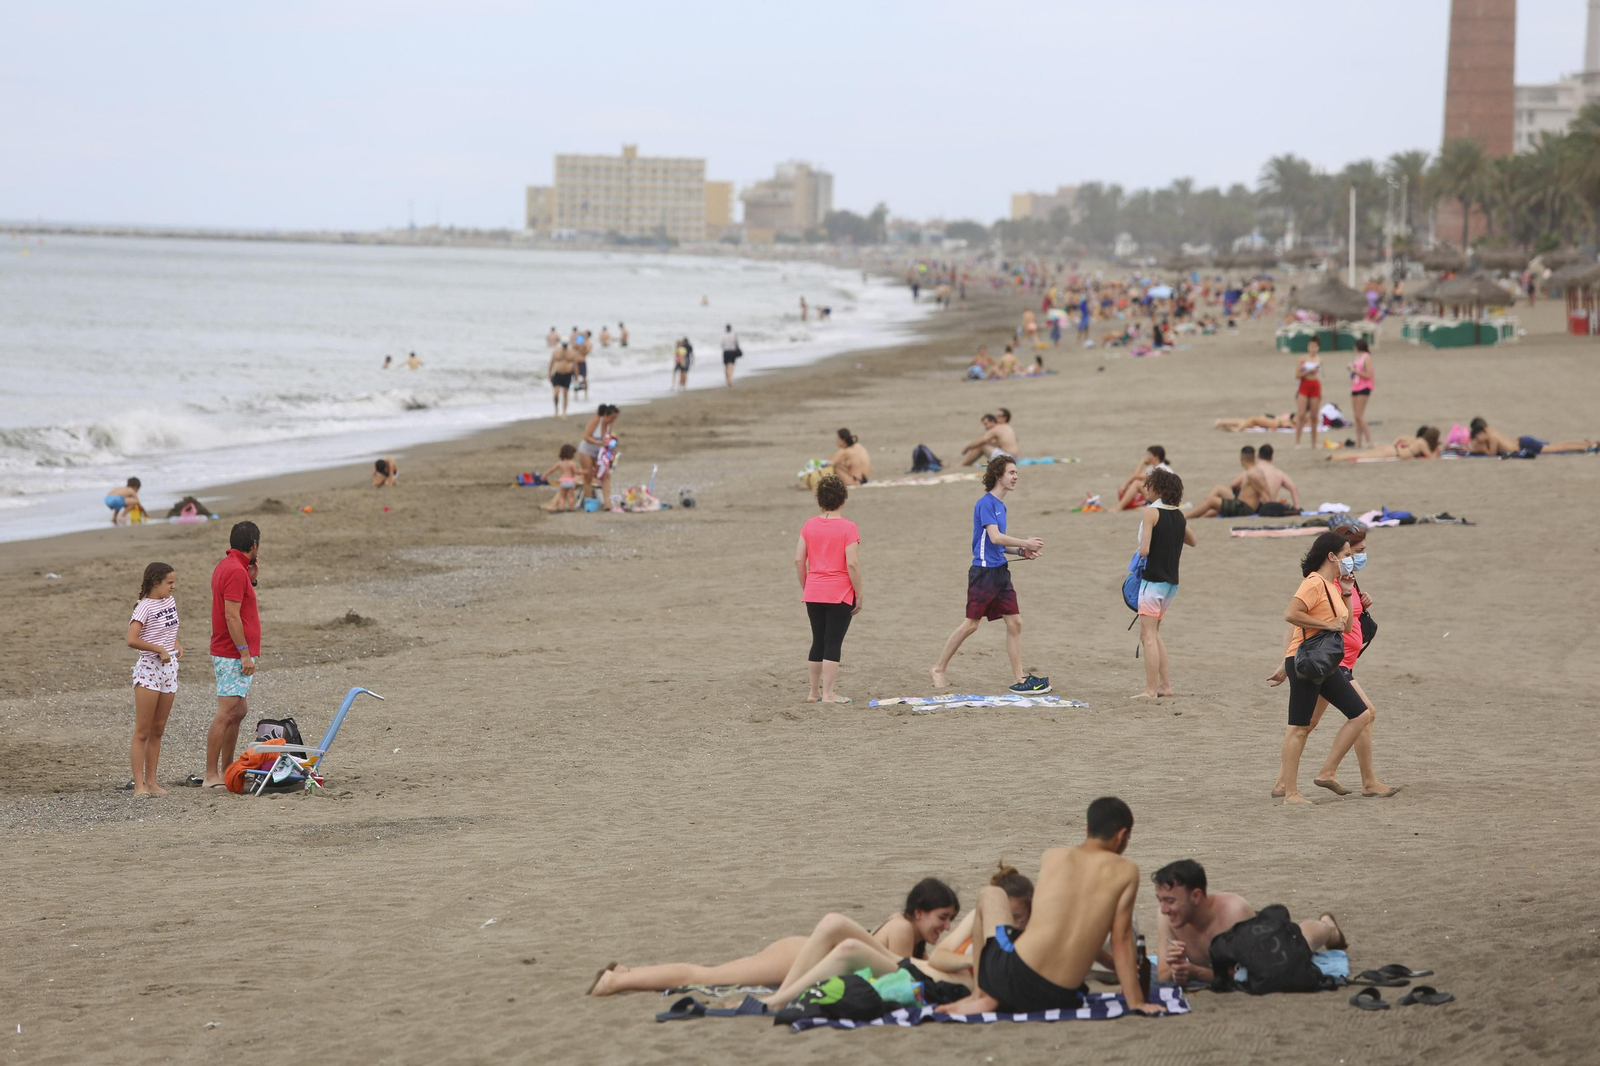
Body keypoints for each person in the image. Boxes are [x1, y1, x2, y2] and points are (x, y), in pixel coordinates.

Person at [942, 798, 1166, 1016]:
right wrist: (1136, 1001)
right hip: (1058, 995)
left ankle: (981, 994)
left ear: (1087, 829)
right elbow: (1121, 939)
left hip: (1010, 978)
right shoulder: (1126, 871)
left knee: (990, 893)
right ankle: (984, 995)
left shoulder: (1053, 856)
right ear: (1122, 835)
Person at [587, 878, 959, 996]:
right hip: (797, 957)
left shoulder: (905, 927)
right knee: (703, 976)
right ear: (919, 912)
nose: (944, 928)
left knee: (708, 973)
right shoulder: (900, 929)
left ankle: (628, 971)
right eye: (942, 918)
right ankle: (615, 981)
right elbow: (897, 976)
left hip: (804, 953)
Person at [1271, 523, 1399, 798]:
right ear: (1331, 556)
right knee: (1300, 726)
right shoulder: (1314, 582)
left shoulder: (1333, 585)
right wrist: (1323, 626)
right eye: (1346, 553)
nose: (1350, 559)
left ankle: (1320, 775)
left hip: (1328, 663)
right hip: (1308, 662)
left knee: (1361, 713)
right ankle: (1290, 792)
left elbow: (1346, 625)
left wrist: (1345, 592)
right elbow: (1290, 615)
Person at [929, 456, 1050, 694]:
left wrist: (1021, 551)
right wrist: (1024, 541)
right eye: (1011, 473)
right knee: (971, 625)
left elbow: (998, 544)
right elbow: (994, 537)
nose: (1015, 477)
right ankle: (938, 668)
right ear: (998, 475)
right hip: (983, 573)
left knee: (1015, 622)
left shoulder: (1000, 505)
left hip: (1000, 571)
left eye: (1016, 473)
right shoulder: (986, 503)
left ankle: (1019, 678)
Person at [1151, 860, 1346, 986]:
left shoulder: (1233, 912)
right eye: (1160, 900)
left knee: (1301, 940)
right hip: (1243, 941)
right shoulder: (1167, 917)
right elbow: (1163, 974)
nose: (1164, 909)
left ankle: (1328, 926)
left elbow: (1252, 973)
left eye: (1170, 901)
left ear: (1196, 896)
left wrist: (1197, 972)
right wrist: (1175, 968)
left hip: (1259, 936)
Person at [202, 522, 261, 790]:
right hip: (231, 651)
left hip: (230, 649)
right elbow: (231, 615)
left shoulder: (228, 566)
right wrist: (244, 654)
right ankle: (210, 774)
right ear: (254, 545)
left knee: (239, 711)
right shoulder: (235, 570)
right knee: (226, 712)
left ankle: (227, 769)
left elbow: (237, 603)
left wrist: (253, 579)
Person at [796, 475, 861, 705]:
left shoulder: (809, 525)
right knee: (833, 642)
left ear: (820, 500)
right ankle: (828, 694)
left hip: (814, 590)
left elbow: (798, 560)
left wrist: (807, 585)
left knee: (818, 640)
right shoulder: (848, 527)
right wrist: (859, 593)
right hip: (839, 592)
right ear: (842, 499)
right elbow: (851, 563)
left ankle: (813, 692)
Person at [1133, 470, 1196, 700]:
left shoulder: (1151, 512)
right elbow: (1192, 541)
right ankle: (1165, 686)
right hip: (1171, 583)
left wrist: (1137, 555)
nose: (1146, 489)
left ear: (1157, 488)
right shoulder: (1179, 515)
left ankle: (1150, 690)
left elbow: (1145, 549)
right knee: (1154, 633)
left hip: (1153, 581)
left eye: (1148, 486)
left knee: (1147, 635)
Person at [127, 562, 182, 796]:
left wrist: (176, 644)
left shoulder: (169, 601)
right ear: (155, 583)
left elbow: (171, 627)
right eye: (169, 582)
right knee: (143, 730)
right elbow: (131, 639)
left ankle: (152, 783)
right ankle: (139, 786)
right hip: (149, 669)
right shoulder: (144, 607)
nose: (173, 586)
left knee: (158, 729)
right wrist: (158, 648)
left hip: (169, 669)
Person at [1185, 447, 1262, 519]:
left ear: (1241, 458)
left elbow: (1234, 484)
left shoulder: (1252, 473)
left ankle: (1185, 516)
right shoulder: (1253, 470)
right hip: (1242, 504)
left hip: (1244, 508)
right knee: (1218, 493)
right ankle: (1200, 513)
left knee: (1212, 501)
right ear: (1254, 457)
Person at [1468, 417, 1594, 457]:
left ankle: (1588, 446)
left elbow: (1491, 454)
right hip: (1523, 441)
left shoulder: (1493, 437)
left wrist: (1482, 449)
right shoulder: (1491, 431)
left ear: (1481, 432)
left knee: (1559, 447)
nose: (1476, 440)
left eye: (1476, 437)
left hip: (1525, 444)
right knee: (1558, 445)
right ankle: (1588, 444)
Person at [1330, 426, 1441, 462]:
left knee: (1362, 454)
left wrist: (1393, 445)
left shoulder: (1416, 440)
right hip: (1395, 453)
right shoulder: (1422, 443)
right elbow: (1431, 457)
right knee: (1361, 456)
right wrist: (1436, 451)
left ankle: (1334, 456)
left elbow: (1401, 437)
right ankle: (1334, 458)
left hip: (1393, 449)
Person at [1248, 444, 1300, 514]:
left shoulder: (1253, 470)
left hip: (1257, 506)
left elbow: (1234, 485)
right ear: (1272, 458)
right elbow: (1293, 488)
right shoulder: (1278, 472)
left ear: (1257, 456)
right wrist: (1296, 508)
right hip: (1271, 506)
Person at [1116, 445, 1172, 510]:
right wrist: (1125, 484)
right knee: (1135, 482)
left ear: (1156, 456)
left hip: (1163, 498)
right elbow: (1136, 476)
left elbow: (1137, 475)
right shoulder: (1153, 468)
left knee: (1137, 483)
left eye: (1149, 455)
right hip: (1159, 495)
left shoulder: (1161, 468)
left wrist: (1142, 462)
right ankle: (1120, 506)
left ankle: (1119, 507)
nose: (1147, 457)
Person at [1293, 338, 1322, 449]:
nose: (1313, 349)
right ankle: (1297, 442)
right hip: (1304, 384)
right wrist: (1308, 371)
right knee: (1301, 415)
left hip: (1315, 385)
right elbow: (1297, 375)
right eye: (1311, 346)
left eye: (1315, 347)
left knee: (1314, 416)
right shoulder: (1303, 359)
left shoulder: (1319, 359)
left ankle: (1314, 442)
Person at [1347, 339, 1375, 449]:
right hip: (1355, 386)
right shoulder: (1357, 357)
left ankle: (1368, 440)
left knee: (1359, 415)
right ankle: (1358, 441)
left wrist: (1355, 371)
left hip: (1364, 387)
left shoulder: (1367, 357)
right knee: (1356, 417)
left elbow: (1368, 374)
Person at [541, 444, 581, 512]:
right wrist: (583, 472)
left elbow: (552, 470)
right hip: (571, 481)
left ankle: (561, 508)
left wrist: (544, 475)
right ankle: (571, 508)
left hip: (563, 481)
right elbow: (576, 472)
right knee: (570, 497)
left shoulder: (560, 463)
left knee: (562, 497)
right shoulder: (572, 463)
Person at [548, 342, 576, 414]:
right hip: (558, 374)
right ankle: (556, 409)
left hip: (567, 374)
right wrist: (550, 374)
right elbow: (551, 363)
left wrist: (576, 375)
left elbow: (575, 365)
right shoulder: (556, 352)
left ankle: (564, 411)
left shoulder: (571, 352)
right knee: (556, 393)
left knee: (565, 394)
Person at [1213, 413, 1294, 432]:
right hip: (1276, 421)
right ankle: (1223, 422)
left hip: (1276, 421)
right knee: (1249, 421)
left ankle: (1222, 422)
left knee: (1248, 421)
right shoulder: (1299, 419)